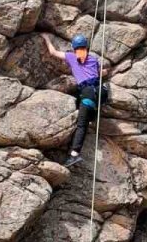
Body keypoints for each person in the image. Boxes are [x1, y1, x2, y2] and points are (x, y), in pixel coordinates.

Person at [41, 32, 106, 167]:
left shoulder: (71, 57)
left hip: (88, 94)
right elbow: (99, 73)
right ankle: (91, 119)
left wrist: (46, 37)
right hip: (101, 92)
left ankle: (74, 155)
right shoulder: (93, 59)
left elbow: (53, 52)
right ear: (86, 47)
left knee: (81, 125)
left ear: (74, 47)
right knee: (88, 105)